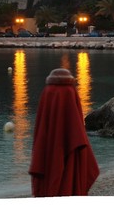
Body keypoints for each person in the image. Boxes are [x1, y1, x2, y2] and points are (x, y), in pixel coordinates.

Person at [29, 68, 99, 196]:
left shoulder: (48, 93)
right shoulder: (70, 92)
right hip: (71, 165)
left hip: (49, 154)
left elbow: (42, 132)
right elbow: (76, 130)